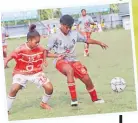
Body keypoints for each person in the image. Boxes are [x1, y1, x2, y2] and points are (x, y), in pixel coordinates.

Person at [47, 15, 108, 106]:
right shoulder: (54, 36)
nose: (68, 29)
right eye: (66, 27)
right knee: (69, 70)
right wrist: (56, 55)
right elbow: (46, 53)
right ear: (61, 25)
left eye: (70, 27)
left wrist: (99, 43)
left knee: (87, 79)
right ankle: (74, 100)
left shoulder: (74, 33)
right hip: (60, 61)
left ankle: (95, 99)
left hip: (73, 60)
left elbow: (86, 40)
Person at [5, 24, 54, 114]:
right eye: (36, 42)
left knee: (49, 88)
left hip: (36, 72)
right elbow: (11, 55)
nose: (38, 44)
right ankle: (6, 110)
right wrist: (5, 62)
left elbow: (45, 52)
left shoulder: (39, 47)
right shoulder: (20, 48)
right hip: (21, 73)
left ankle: (43, 103)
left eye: (39, 42)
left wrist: (57, 56)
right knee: (14, 89)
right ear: (29, 40)